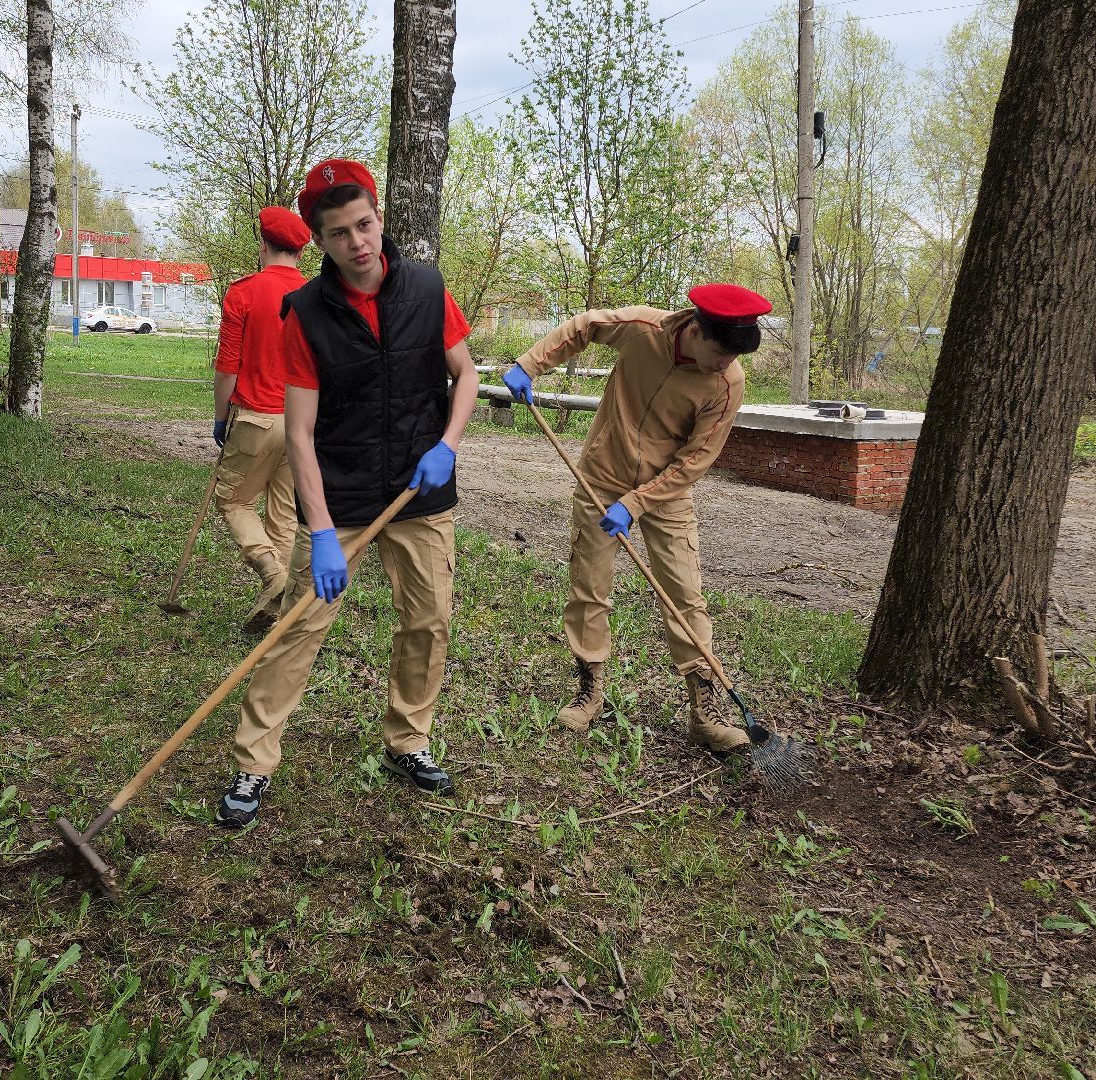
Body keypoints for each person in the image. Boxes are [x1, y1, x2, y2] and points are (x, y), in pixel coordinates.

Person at [216, 159, 478, 828]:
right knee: (299, 626)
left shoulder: (426, 288)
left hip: (420, 491)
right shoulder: (302, 313)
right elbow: (299, 436)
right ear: (321, 241)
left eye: (364, 225)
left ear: (380, 218)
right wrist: (325, 532)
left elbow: (466, 374)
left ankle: (409, 742)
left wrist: (447, 444)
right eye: (339, 233)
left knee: (428, 621)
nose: (357, 242)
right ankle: (254, 761)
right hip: (343, 493)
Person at [500, 285, 772, 755]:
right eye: (721, 353)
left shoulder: (728, 383)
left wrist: (638, 502)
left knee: (685, 595)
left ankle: (704, 713)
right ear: (696, 329)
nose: (725, 364)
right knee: (589, 587)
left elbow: (696, 459)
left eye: (734, 357)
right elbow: (584, 326)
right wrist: (530, 363)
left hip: (666, 495)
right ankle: (590, 692)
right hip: (601, 478)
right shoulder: (644, 330)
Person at [212, 207, 312, 633]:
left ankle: (273, 575)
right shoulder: (316, 295)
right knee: (284, 514)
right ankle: (286, 610)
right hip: (302, 424)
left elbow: (227, 367)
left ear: (264, 245)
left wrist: (220, 419)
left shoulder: (244, 292)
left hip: (255, 418)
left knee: (232, 500)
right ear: (300, 252)